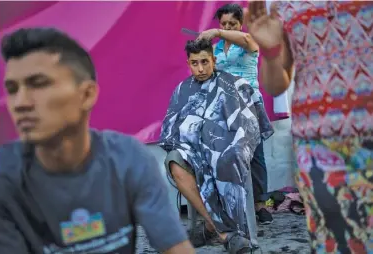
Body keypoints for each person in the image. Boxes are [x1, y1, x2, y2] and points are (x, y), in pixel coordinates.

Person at [0, 27, 195, 254]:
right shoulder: (3, 180)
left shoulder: (127, 158)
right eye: (12, 89)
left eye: (39, 83)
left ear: (87, 94)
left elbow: (176, 248)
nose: (20, 102)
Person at [246, 1, 373, 253]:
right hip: (317, 143)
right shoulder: (285, 5)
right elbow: (276, 85)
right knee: (338, 243)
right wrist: (270, 53)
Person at [159, 38, 273, 253]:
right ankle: (218, 228)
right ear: (188, 64)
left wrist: (225, 143)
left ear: (213, 60)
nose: (200, 68)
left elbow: (247, 124)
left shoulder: (234, 84)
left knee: (231, 155)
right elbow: (172, 127)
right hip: (192, 149)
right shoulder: (182, 90)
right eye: (194, 63)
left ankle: (221, 229)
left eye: (205, 62)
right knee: (173, 160)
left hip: (228, 146)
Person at [197, 3, 274, 224]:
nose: (228, 27)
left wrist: (218, 32)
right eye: (223, 24)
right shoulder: (217, 50)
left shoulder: (248, 41)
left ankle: (260, 205)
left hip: (250, 105)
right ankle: (228, 204)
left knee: (256, 156)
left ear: (241, 24)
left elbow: (249, 42)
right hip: (225, 107)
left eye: (233, 23)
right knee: (225, 153)